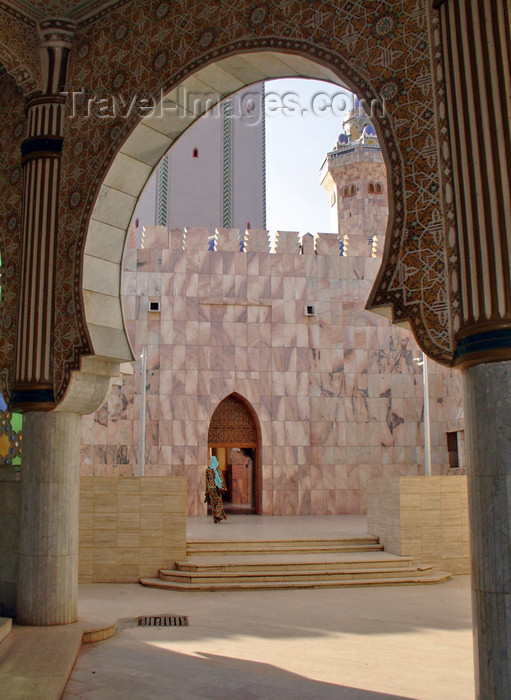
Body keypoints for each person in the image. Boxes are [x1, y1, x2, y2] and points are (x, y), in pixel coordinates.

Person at [205, 455, 227, 523]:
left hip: (211, 489)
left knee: (213, 503)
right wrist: (223, 488)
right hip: (217, 488)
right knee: (219, 502)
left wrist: (207, 490)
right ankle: (218, 516)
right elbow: (221, 479)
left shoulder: (208, 470)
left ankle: (215, 517)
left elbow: (207, 480)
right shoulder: (218, 469)